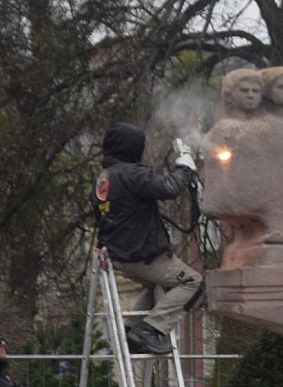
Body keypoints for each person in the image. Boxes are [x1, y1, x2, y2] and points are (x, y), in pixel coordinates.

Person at [91, 122, 203, 354]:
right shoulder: (132, 173)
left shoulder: (104, 177)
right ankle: (149, 330)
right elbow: (168, 187)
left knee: (158, 286)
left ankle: (131, 330)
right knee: (193, 283)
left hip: (118, 254)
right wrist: (184, 168)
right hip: (142, 254)